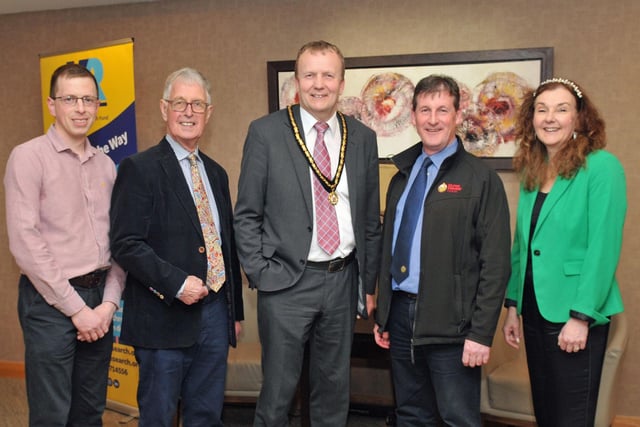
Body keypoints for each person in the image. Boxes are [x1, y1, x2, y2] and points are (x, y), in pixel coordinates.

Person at [234, 40, 381, 427]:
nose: (319, 84)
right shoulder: (266, 133)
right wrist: (261, 273)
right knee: (278, 393)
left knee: (333, 391)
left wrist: (368, 282)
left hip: (341, 281)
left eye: (328, 75)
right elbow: (246, 214)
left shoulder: (362, 138)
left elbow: (369, 222)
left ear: (341, 82)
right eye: (310, 75)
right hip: (285, 284)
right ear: (297, 82)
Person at [374, 74, 511, 427]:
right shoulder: (401, 175)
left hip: (453, 326)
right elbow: (389, 247)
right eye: (424, 110)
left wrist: (481, 334)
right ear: (414, 116)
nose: (432, 119)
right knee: (411, 415)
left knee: (458, 419)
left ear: (457, 115)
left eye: (442, 110)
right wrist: (384, 314)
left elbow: (495, 264)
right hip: (402, 319)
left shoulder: (481, 179)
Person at [109, 67, 244, 427]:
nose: (188, 112)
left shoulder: (216, 173)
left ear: (209, 113)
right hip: (162, 318)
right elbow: (125, 244)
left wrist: (234, 313)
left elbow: (224, 244)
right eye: (180, 103)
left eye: (197, 104)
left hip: (215, 315)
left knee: (206, 415)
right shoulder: (139, 169)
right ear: (163, 108)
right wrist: (177, 283)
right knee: (159, 416)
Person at [4, 63, 126, 427]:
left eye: (89, 99)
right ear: (51, 104)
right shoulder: (28, 157)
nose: (81, 108)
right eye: (70, 99)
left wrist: (108, 304)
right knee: (52, 414)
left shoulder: (107, 165)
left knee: (90, 411)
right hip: (49, 304)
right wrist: (76, 310)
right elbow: (25, 242)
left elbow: (118, 241)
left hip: (99, 301)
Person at [502, 78, 626, 427]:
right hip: (535, 309)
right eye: (541, 110)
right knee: (546, 412)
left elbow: (603, 247)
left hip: (574, 312)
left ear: (580, 118)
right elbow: (522, 244)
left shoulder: (602, 167)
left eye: (561, 109)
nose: (550, 118)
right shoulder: (533, 166)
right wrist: (513, 306)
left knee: (572, 418)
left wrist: (581, 315)